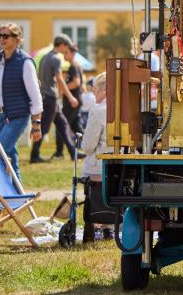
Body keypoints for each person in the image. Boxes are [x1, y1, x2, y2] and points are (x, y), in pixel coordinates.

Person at [0, 23, 43, 180]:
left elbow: (35, 96)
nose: (1, 39)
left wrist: (36, 124)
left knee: (0, 153)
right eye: (0, 35)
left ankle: (1, 193)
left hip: (17, 116)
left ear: (17, 39)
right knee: (11, 156)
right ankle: (18, 196)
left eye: (6, 36)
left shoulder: (25, 62)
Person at [30, 34, 78, 164]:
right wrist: (70, 96)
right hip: (50, 98)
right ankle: (34, 155)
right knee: (44, 127)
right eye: (66, 47)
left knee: (63, 125)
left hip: (47, 96)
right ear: (61, 45)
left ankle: (74, 153)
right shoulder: (56, 58)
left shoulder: (45, 57)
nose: (67, 50)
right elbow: (59, 79)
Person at [80, 72, 115, 243]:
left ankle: (94, 226)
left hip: (98, 169)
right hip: (120, 168)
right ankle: (109, 228)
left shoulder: (98, 111)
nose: (94, 94)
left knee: (89, 172)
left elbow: (87, 146)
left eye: (95, 90)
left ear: (104, 90)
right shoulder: (124, 108)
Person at [61, 44, 85, 139]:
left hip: (72, 102)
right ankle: (89, 145)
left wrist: (64, 87)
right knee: (76, 127)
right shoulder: (76, 66)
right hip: (75, 100)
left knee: (62, 124)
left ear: (73, 53)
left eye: (66, 53)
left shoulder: (73, 67)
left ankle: (60, 150)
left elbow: (76, 83)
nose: (64, 55)